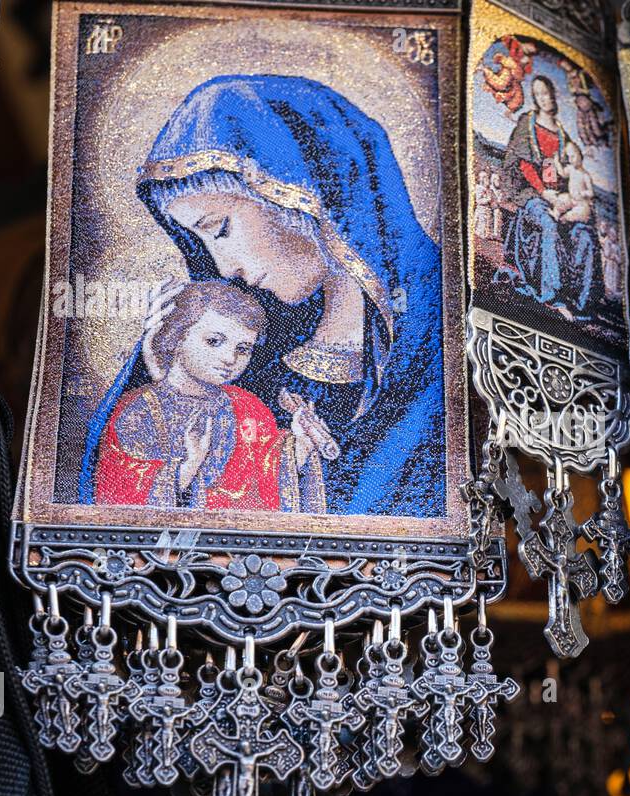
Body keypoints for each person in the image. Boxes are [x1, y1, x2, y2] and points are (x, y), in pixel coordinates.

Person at [78, 74, 446, 517]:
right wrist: (162, 367)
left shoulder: (437, 327)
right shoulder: (251, 349)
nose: (223, 267)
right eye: (204, 244)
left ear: (306, 194)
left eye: (222, 230)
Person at [94, 281, 332, 512]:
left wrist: (301, 446)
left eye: (243, 349)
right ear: (177, 337)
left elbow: (267, 480)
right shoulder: (140, 410)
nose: (230, 358)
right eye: (214, 341)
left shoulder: (247, 407)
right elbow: (118, 496)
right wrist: (186, 468)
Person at [500, 74, 603, 321]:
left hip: (559, 195)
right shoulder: (528, 123)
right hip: (532, 195)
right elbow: (523, 165)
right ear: (535, 99)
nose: (544, 99)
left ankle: (582, 301)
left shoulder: (560, 131)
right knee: (548, 223)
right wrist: (545, 193)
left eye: (547, 93)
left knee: (585, 234)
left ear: (554, 95)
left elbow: (567, 170)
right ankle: (552, 296)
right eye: (539, 95)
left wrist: (566, 196)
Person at [550, 141, 593, 224]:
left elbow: (591, 192)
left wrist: (583, 193)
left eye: (573, 156)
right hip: (571, 198)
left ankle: (564, 218)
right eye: (569, 157)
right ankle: (555, 214)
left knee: (580, 213)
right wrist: (556, 162)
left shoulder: (585, 175)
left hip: (581, 203)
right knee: (561, 200)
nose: (570, 160)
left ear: (580, 155)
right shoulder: (571, 169)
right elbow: (562, 173)